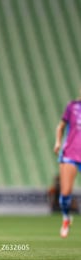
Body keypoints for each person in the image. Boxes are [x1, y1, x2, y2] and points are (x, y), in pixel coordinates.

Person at [53, 94, 81, 238]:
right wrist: (58, 142)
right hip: (71, 153)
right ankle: (66, 218)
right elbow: (61, 127)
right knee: (65, 193)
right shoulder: (73, 107)